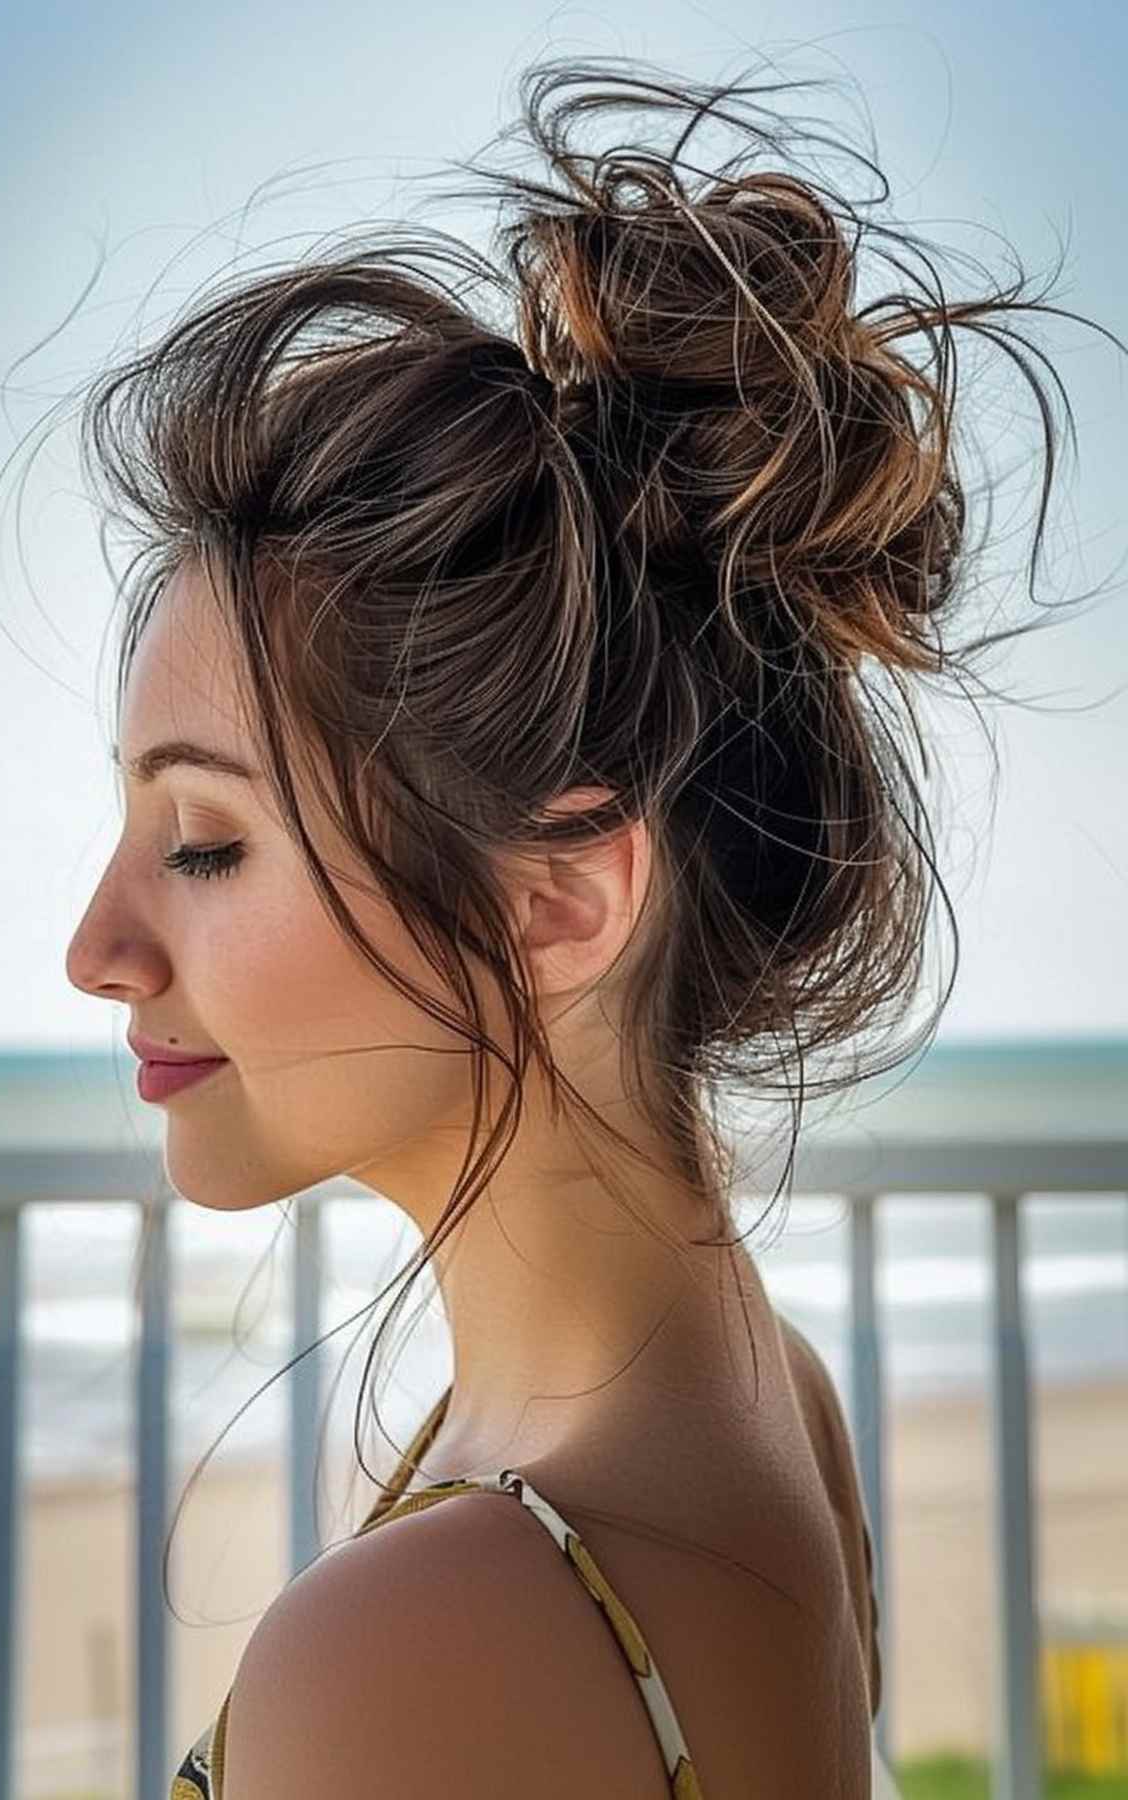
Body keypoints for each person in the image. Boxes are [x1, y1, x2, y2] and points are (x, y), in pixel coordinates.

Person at [63, 51, 1099, 1799]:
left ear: (560, 902)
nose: (99, 946)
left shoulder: (417, 1642)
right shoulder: (762, 1394)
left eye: (208, 845)